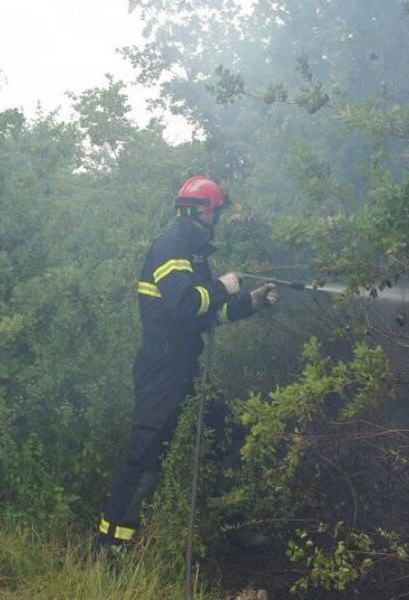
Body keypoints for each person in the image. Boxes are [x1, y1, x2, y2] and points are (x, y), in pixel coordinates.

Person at [96, 175, 278, 548]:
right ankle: (110, 548)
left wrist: (249, 303)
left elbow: (204, 317)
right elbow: (182, 305)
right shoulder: (171, 248)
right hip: (162, 368)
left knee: (226, 433)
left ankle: (228, 528)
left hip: (183, 367)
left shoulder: (194, 255)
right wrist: (222, 287)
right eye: (217, 213)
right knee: (145, 457)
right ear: (206, 213)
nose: (219, 221)